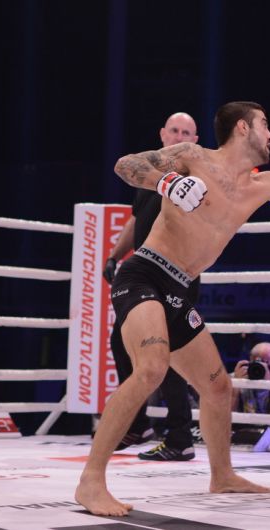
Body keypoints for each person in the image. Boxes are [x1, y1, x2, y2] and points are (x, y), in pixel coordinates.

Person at [75, 101, 270, 516]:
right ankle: (90, 481)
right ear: (243, 128)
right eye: (265, 124)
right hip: (144, 275)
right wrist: (167, 183)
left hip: (180, 290)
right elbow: (126, 165)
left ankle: (222, 475)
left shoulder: (263, 184)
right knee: (151, 368)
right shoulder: (192, 156)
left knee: (218, 388)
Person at [103, 112, 201, 461]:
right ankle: (137, 424)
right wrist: (114, 255)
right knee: (121, 341)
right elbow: (137, 219)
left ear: (195, 141)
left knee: (170, 354)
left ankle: (179, 437)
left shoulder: (195, 180)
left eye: (186, 133)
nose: (178, 137)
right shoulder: (150, 175)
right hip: (146, 273)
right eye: (174, 130)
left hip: (176, 274)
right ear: (162, 134)